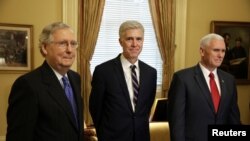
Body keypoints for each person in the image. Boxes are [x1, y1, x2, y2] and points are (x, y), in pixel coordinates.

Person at [6, 22, 83, 141]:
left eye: (73, 44)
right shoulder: (27, 85)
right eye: (63, 43)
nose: (70, 50)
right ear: (44, 48)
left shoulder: (75, 78)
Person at [89, 20, 157, 141]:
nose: (135, 44)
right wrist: (104, 135)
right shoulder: (103, 71)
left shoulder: (151, 73)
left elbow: (146, 107)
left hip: (141, 137)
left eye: (139, 39)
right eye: (129, 39)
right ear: (120, 41)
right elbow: (95, 108)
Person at [168, 33, 241, 141]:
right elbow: (176, 123)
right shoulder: (182, 79)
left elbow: (234, 118)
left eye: (223, 51)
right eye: (216, 50)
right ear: (202, 51)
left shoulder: (229, 80)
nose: (220, 55)